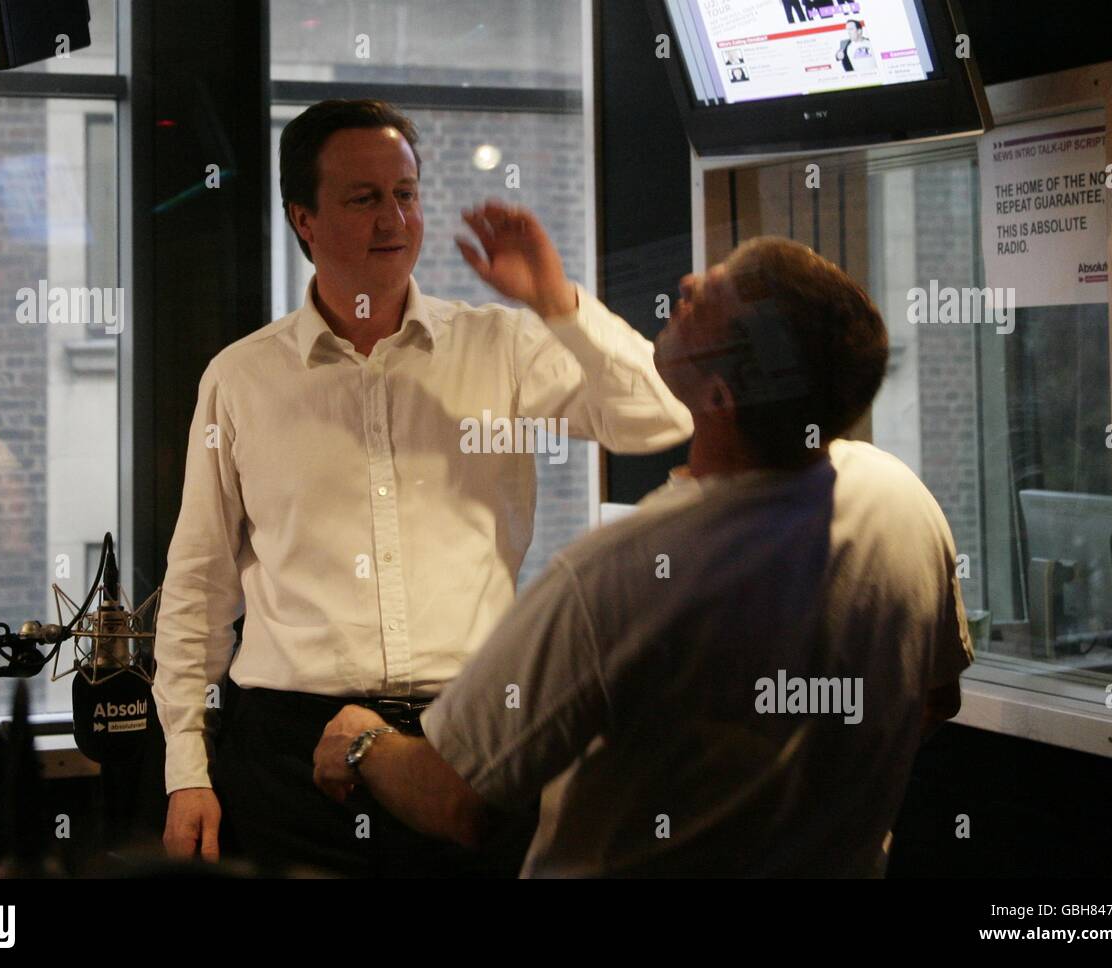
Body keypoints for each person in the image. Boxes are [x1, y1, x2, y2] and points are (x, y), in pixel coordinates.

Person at [311, 236, 974, 877]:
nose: (685, 284)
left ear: (719, 397)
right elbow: (935, 695)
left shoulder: (618, 574)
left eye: (711, 297)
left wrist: (365, 739)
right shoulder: (902, 501)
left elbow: (456, 800)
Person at [154, 99, 693, 876]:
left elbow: (658, 415)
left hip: (469, 740)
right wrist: (186, 772)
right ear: (304, 220)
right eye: (364, 198)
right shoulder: (241, 378)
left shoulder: (500, 345)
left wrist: (557, 303)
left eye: (405, 193)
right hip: (290, 758)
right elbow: (199, 585)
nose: (394, 218)